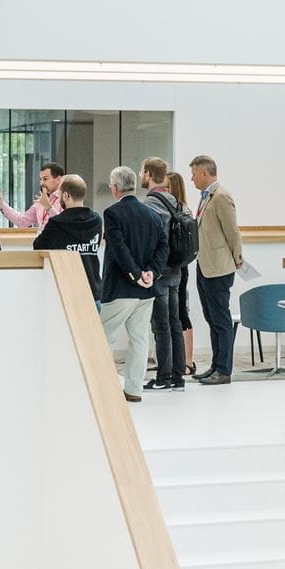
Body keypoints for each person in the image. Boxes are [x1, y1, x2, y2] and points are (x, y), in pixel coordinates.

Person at [98, 167, 168, 403]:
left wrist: (135, 273)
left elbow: (118, 248)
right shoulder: (151, 214)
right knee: (139, 339)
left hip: (120, 288)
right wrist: (151, 273)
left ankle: (103, 388)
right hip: (146, 289)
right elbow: (163, 247)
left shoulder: (112, 213)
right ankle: (134, 389)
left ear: (115, 188)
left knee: (102, 336)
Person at [190, 155, 242, 386]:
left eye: (194, 173)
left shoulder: (221, 197)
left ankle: (224, 370)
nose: (191, 178)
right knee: (211, 318)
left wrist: (238, 258)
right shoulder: (205, 197)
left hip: (219, 268)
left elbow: (233, 231)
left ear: (203, 173)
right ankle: (215, 365)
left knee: (221, 319)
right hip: (205, 264)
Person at [140, 158, 186, 391]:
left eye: (142, 171)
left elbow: (149, 242)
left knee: (161, 326)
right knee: (174, 323)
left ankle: (164, 376)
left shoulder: (149, 204)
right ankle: (178, 376)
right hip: (176, 270)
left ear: (148, 174)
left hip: (158, 272)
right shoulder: (175, 202)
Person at [33, 174, 104, 301]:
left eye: (59, 195)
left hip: (67, 291)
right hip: (93, 289)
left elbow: (38, 246)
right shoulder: (97, 220)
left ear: (66, 196)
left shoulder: (56, 224)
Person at [167, 171, 197, 377]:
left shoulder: (180, 211)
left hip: (179, 266)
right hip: (177, 265)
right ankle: (178, 360)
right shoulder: (180, 209)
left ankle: (187, 361)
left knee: (181, 313)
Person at [0, 162, 65, 230]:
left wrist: (49, 208)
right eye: (41, 179)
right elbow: (22, 221)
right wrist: (1, 203)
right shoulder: (41, 202)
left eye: (45, 179)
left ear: (58, 179)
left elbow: (66, 225)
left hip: (59, 247)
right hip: (43, 246)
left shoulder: (67, 199)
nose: (41, 183)